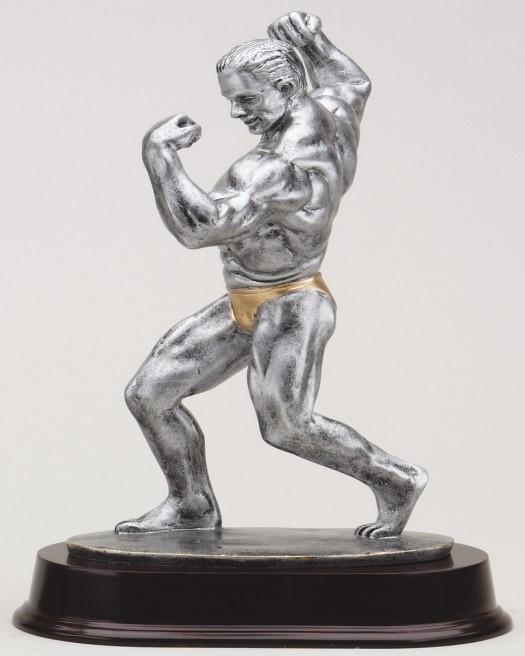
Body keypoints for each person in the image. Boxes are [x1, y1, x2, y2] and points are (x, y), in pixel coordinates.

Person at [116, 11, 427, 538]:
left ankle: (396, 479)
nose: (236, 112)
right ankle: (191, 504)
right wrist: (314, 42)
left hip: (291, 304)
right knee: (150, 393)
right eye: (230, 100)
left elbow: (202, 228)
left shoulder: (271, 169)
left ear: (285, 88)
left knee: (287, 426)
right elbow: (353, 81)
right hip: (249, 295)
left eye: (247, 99)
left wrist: (160, 156)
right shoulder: (333, 113)